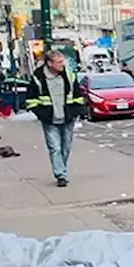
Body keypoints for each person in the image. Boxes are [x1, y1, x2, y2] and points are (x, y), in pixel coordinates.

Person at [25, 50, 86, 187]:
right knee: (55, 148)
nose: (62, 65)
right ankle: (61, 175)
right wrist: (42, 114)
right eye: (59, 62)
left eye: (62, 61)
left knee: (66, 147)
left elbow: (77, 95)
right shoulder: (38, 78)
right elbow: (31, 100)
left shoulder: (69, 76)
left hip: (67, 118)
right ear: (49, 63)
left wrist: (75, 112)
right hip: (49, 120)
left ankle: (61, 168)